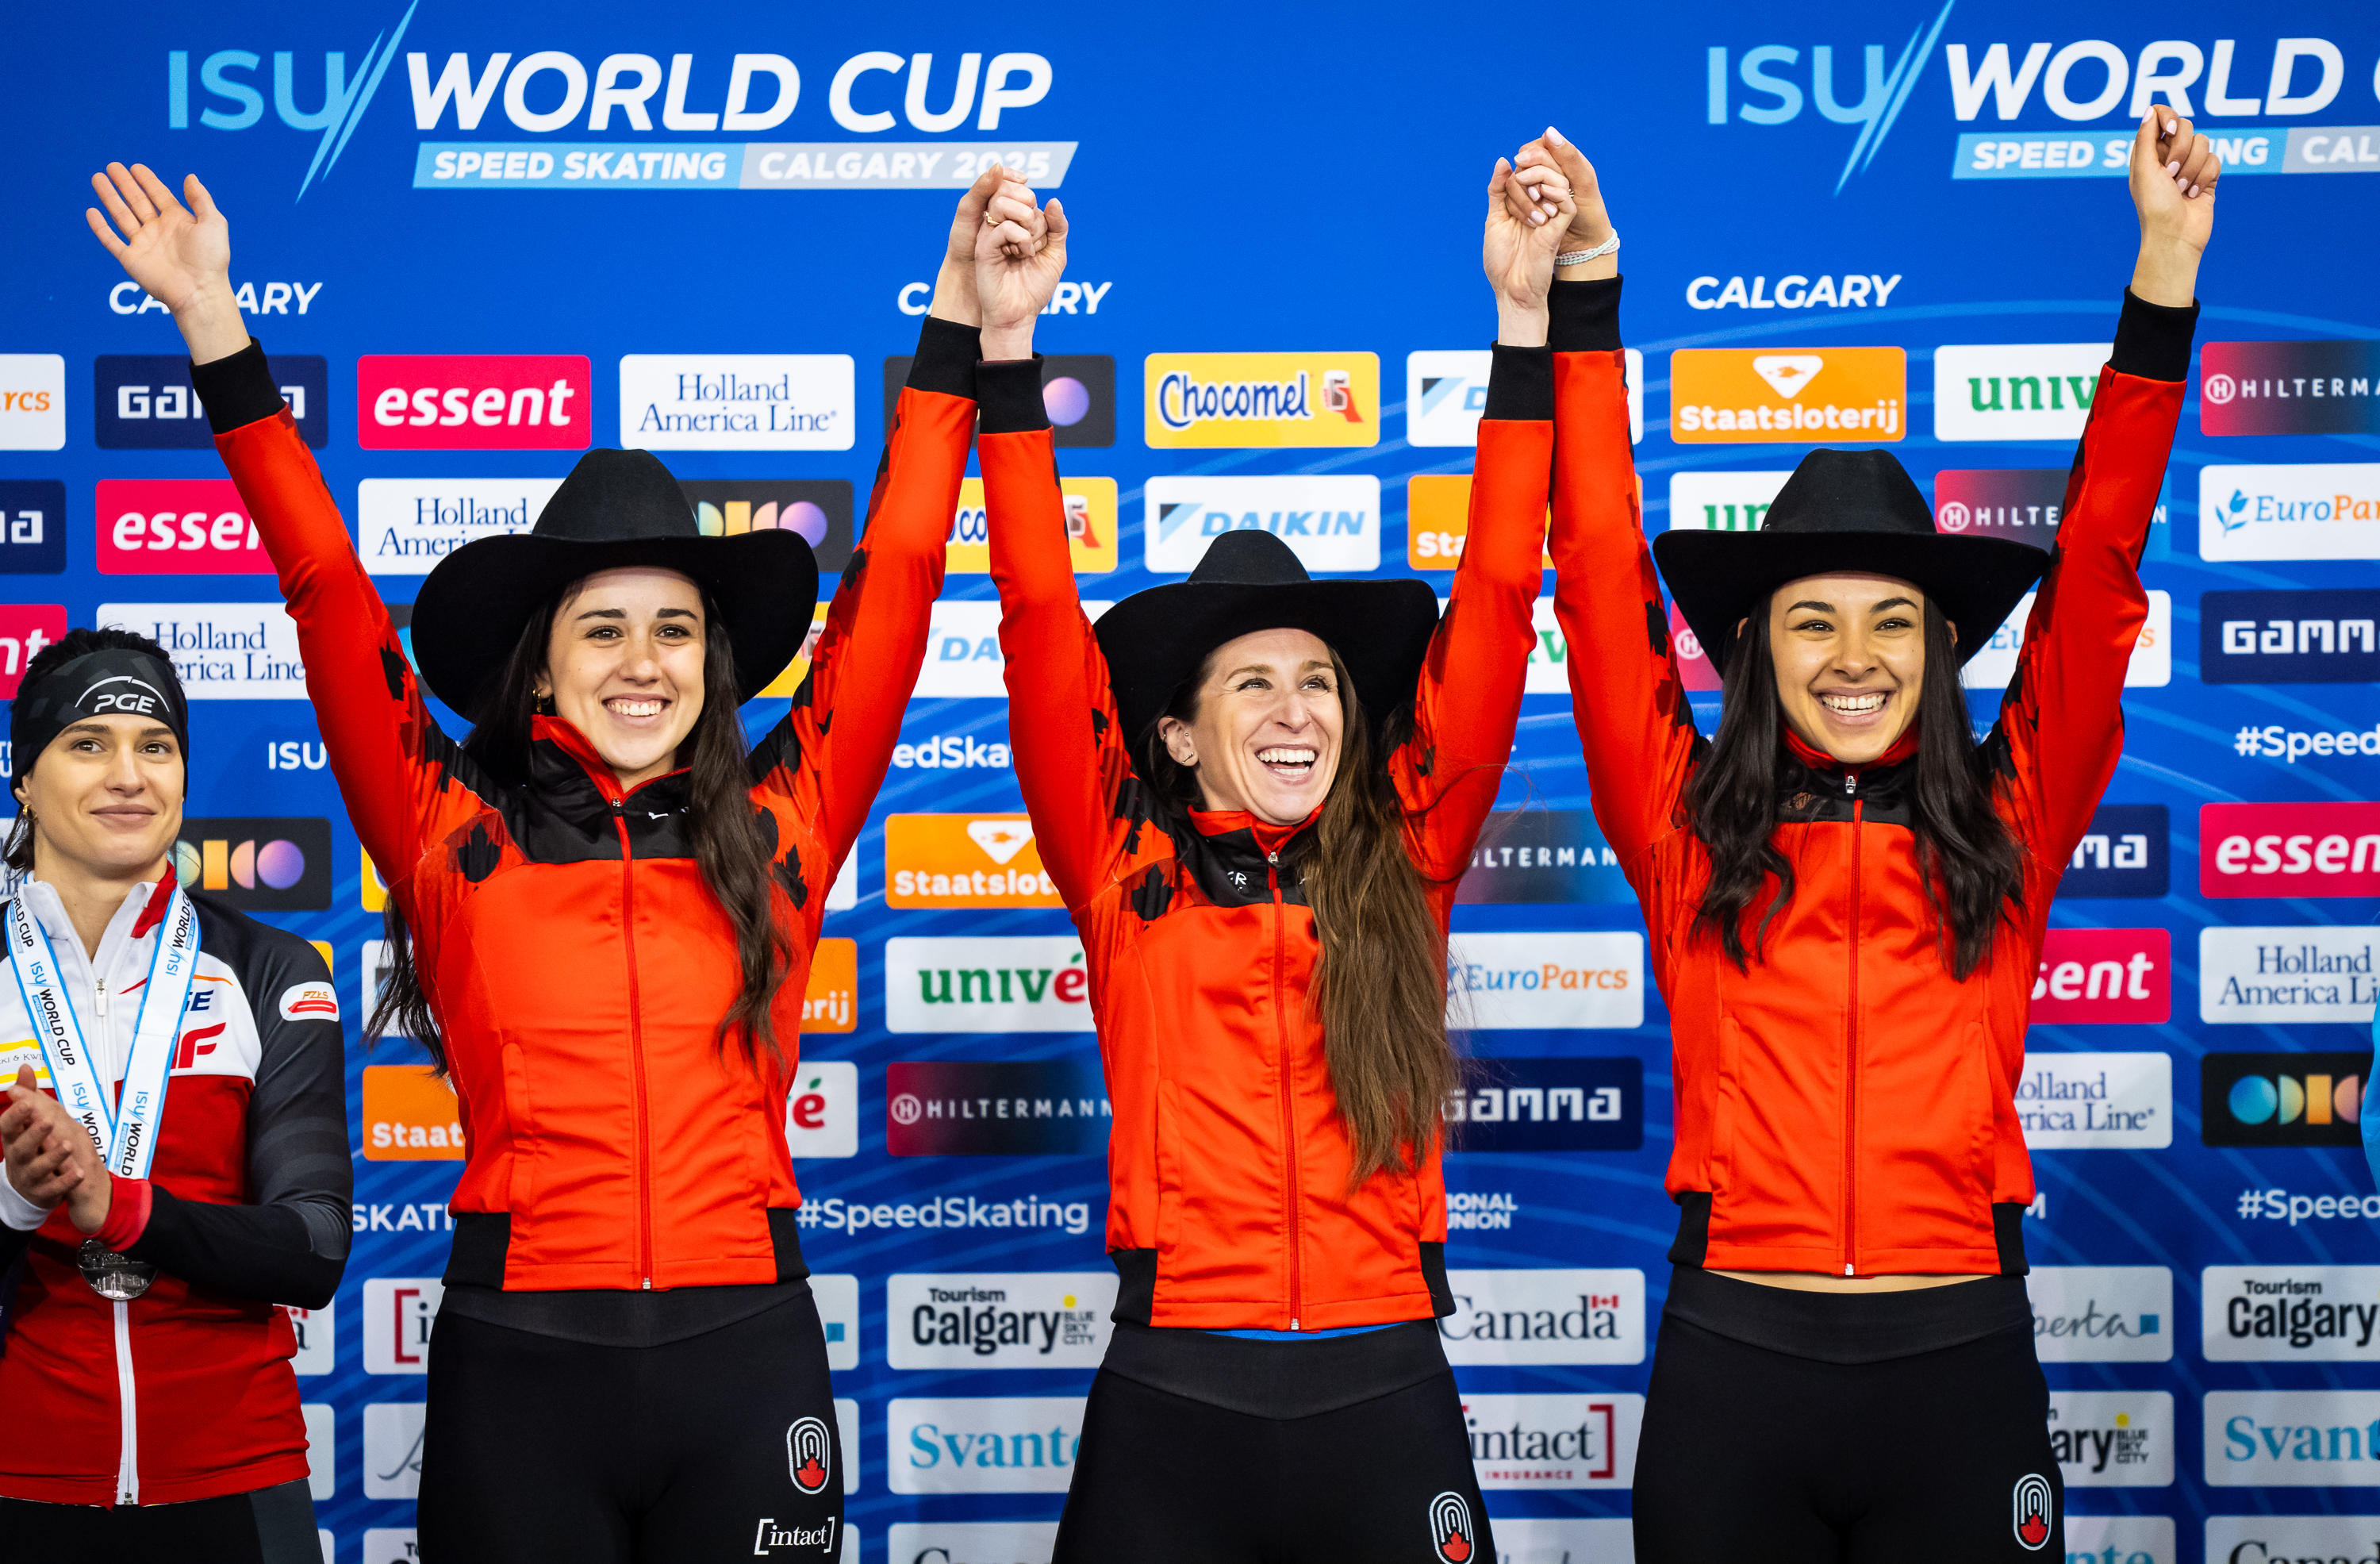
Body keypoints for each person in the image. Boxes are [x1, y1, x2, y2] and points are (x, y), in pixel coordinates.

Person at [83, 159, 1015, 1561]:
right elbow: (327, 586)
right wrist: (216, 322)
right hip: (521, 1358)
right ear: (540, 669)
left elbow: (897, 580)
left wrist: (956, 317)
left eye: (677, 630)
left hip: (747, 1347)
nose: (643, 664)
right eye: (604, 628)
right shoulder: (449, 826)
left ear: (716, 664)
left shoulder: (785, 819)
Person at [1513, 110, 2217, 1559]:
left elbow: (2094, 570)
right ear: (1754, 648)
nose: (1854, 655)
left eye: (1893, 620)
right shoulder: (1682, 821)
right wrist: (1586, 292)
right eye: (1813, 620)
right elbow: (1591, 573)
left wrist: (2161, 278)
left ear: (1944, 644)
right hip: (1732, 1371)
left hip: (1960, 1366)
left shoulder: (2009, 817)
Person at [979, 157, 1573, 1562]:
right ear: (1175, 737)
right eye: (1250, 685)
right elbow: (1037, 617)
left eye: (1317, 679)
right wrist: (1008, 355)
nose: (1296, 709)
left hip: (1387, 1390)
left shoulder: (1408, 856)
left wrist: (1526, 325)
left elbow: (1494, 596)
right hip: (1172, 1395)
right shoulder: (1126, 868)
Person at [0, 627, 350, 1558]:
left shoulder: (272, 968)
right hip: (17, 1473)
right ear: (24, 780)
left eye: (155, 747)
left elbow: (314, 1245)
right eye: (88, 743)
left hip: (237, 1474)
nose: (129, 774)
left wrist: (115, 1208)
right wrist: (14, 1196)